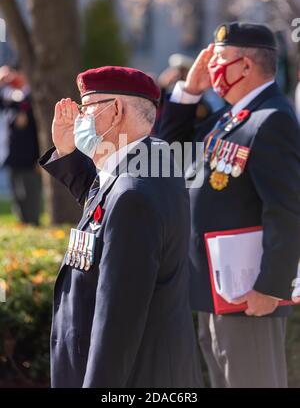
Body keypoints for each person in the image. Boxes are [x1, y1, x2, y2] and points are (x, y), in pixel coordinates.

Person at [39, 65, 203, 388]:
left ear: (115, 112)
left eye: (87, 109)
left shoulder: (133, 196)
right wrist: (69, 153)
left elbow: (116, 323)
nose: (80, 119)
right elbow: (103, 199)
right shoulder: (152, 160)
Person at [159, 22, 300, 388]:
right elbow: (170, 157)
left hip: (249, 289)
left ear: (246, 66)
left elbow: (286, 211)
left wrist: (271, 287)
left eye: (219, 59)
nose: (211, 67)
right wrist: (189, 91)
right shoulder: (232, 118)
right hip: (217, 287)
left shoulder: (272, 120)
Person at [0, 65, 41, 225]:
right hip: (12, 155)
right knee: (17, 194)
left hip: (31, 157)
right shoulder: (10, 97)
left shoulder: (32, 96)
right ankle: (23, 222)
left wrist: (40, 157)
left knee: (30, 193)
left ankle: (33, 223)